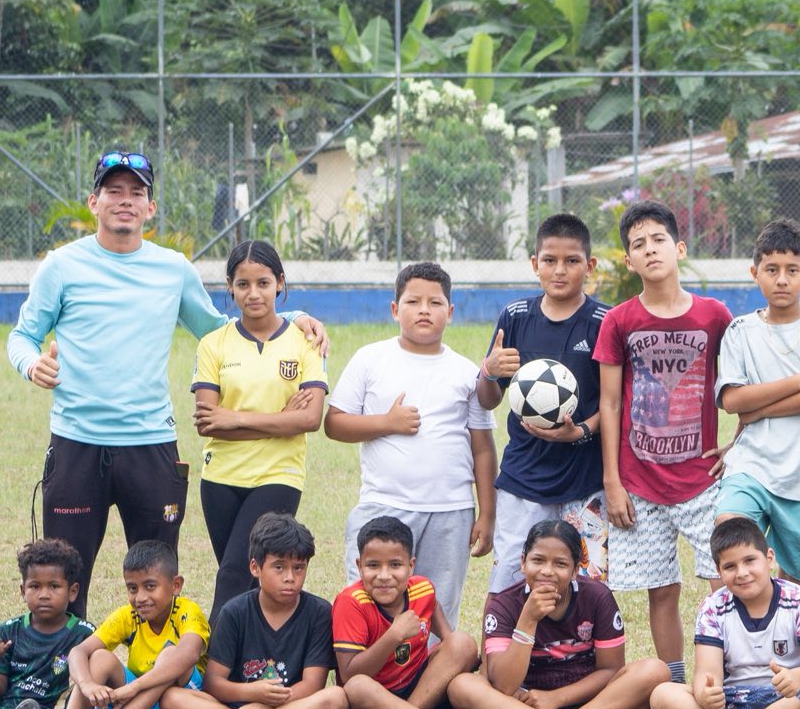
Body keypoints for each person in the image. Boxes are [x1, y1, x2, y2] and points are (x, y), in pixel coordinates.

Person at [6, 149, 327, 614]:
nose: (125, 200)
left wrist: (291, 317)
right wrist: (31, 364)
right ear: (94, 202)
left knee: (155, 582)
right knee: (63, 577)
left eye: (136, 192)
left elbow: (218, 327)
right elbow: (22, 336)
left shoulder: (172, 268)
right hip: (77, 442)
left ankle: (156, 662)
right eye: (114, 191)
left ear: (150, 207)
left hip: (150, 445)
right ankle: (64, 659)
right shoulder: (61, 265)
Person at [595, 199, 733, 686]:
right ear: (628, 260)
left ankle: (730, 678)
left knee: (724, 581)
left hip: (702, 479)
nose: (650, 250)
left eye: (659, 240)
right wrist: (612, 481)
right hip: (640, 482)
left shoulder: (714, 315)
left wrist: (735, 440)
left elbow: (740, 382)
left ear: (680, 248)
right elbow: (610, 402)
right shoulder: (619, 320)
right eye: (639, 244)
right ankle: (674, 685)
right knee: (662, 590)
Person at [325, 262, 496, 626]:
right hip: (384, 503)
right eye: (413, 302)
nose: (424, 310)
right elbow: (334, 423)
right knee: (368, 605)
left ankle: (431, 664)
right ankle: (365, 662)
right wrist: (386, 423)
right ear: (394, 309)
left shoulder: (465, 372)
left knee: (436, 610)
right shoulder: (371, 359)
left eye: (435, 303)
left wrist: (487, 514)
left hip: (450, 510)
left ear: (450, 312)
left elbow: (483, 447)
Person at [190, 240, 328, 617]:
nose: (254, 293)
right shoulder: (213, 344)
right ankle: (254, 651)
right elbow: (208, 422)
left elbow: (310, 419)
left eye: (263, 283)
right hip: (220, 479)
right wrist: (281, 420)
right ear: (229, 287)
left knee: (233, 575)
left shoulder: (306, 342)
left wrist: (236, 418)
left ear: (280, 283)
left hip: (278, 475)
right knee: (251, 580)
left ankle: (214, 655)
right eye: (243, 284)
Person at [715, 219, 800, 590]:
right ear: (754, 273)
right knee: (730, 530)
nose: (781, 280)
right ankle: (740, 623)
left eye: (792, 270)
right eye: (771, 269)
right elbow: (732, 400)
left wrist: (758, 410)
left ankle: (782, 627)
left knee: (795, 586)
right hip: (752, 464)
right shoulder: (740, 331)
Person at [476, 213, 610, 593]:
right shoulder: (516, 317)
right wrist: (489, 371)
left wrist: (580, 431)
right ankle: (502, 638)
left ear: (590, 265)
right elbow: (488, 399)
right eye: (550, 260)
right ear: (535, 263)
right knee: (508, 585)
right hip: (524, 479)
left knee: (589, 589)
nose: (560, 270)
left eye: (572, 261)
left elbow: (615, 404)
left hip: (585, 481)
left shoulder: (604, 322)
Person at [447, 519, 653, 709]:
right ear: (523, 562)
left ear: (575, 570)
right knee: (461, 686)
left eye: (560, 564)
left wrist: (557, 698)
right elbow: (504, 686)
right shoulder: (504, 604)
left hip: (589, 704)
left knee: (654, 671)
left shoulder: (597, 597)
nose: (547, 571)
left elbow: (610, 670)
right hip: (523, 707)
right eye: (538, 560)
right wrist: (528, 620)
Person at [161, 513, 345, 709]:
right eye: (279, 567)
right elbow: (214, 682)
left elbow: (312, 685)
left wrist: (264, 706)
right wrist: (252, 693)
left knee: (336, 699)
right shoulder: (234, 612)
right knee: (172, 699)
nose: (290, 578)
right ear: (255, 567)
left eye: (299, 568)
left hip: (294, 706)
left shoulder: (319, 612)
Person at [647, 517, 800, 709]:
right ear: (718, 571)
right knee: (662, 695)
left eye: (750, 561)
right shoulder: (713, 607)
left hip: (785, 698)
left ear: (769, 558)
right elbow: (707, 673)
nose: (742, 573)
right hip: (731, 701)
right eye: (730, 567)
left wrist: (797, 677)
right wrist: (705, 694)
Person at [27, 540, 207, 709]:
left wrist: (134, 687)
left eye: (150, 586)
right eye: (132, 588)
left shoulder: (187, 611)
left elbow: (188, 654)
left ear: (175, 585)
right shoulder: (128, 616)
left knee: (170, 656)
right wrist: (87, 685)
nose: (140, 597)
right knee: (100, 657)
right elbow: (78, 652)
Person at [334, 516, 488, 709]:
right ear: (359, 566)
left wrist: (461, 661)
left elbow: (449, 640)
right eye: (373, 565)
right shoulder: (351, 602)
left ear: (411, 565)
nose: (384, 575)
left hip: (420, 695)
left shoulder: (423, 589)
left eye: (395, 565)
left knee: (463, 643)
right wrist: (393, 636)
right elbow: (349, 675)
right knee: (357, 687)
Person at [0, 540, 92, 709]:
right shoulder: (9, 630)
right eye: (35, 586)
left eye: (54, 586)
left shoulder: (83, 634)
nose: (44, 594)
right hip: (4, 707)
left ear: (72, 591)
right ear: (23, 590)